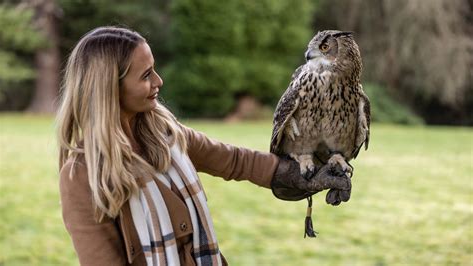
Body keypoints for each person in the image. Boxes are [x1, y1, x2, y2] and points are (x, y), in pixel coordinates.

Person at [57, 26, 351, 266]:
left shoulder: (167, 133)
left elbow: (236, 161)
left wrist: (301, 175)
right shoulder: (81, 176)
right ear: (110, 87)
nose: (159, 81)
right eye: (146, 75)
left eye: (154, 69)